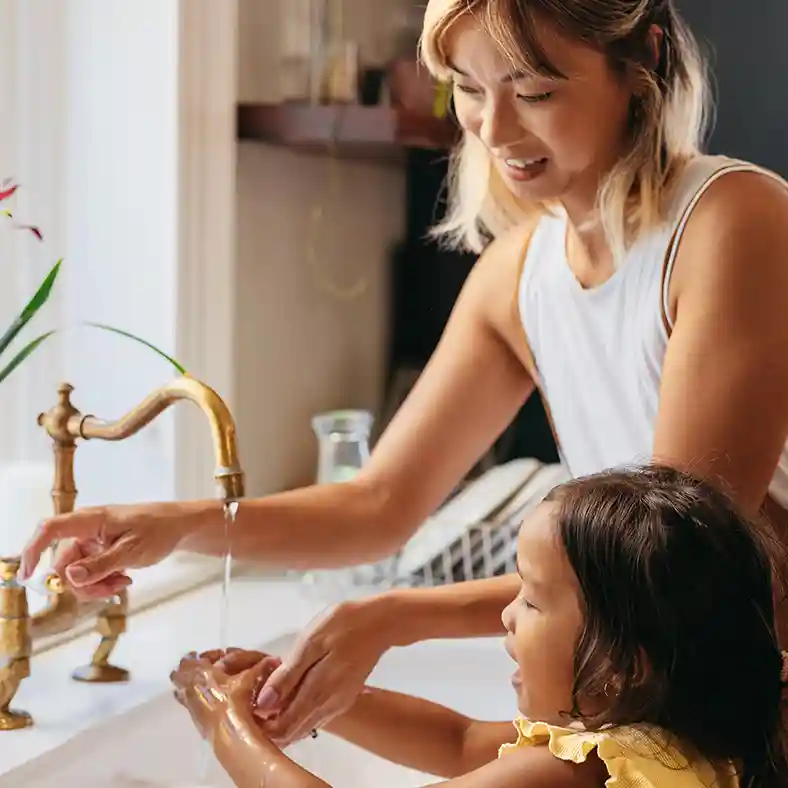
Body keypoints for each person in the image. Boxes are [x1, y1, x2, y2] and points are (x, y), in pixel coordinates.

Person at [19, 0, 788, 743]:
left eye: (535, 90)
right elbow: (378, 503)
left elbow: (663, 562)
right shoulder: (518, 276)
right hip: (658, 703)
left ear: (643, 58)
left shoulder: (733, 223)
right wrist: (178, 525)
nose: (494, 128)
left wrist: (396, 615)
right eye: (468, 89)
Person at [170, 466, 788, 788]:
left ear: (624, 666)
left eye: (533, 600)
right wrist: (310, 696)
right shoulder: (675, 743)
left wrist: (228, 727)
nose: (505, 614)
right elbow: (457, 741)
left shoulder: (586, 768)